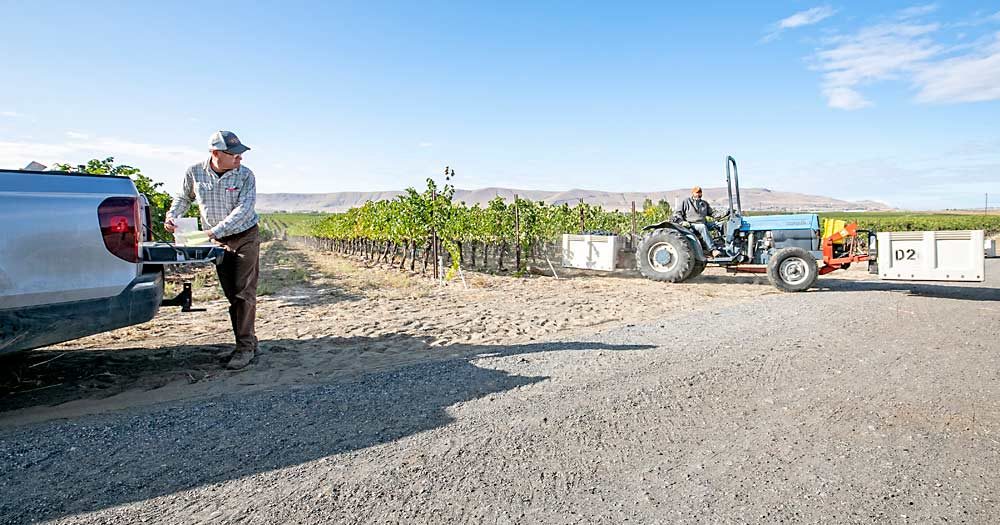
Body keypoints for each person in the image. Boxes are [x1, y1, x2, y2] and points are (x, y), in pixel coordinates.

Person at [165, 131, 260, 370]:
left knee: (243, 291)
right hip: (217, 240)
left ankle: (245, 347)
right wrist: (172, 215)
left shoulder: (245, 176)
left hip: (245, 236)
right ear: (215, 153)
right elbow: (184, 197)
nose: (240, 158)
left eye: (241, 154)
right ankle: (247, 340)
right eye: (234, 154)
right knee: (231, 293)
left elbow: (244, 209)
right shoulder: (195, 172)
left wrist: (213, 232)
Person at [674, 186, 724, 257]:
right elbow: (677, 213)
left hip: (703, 222)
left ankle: (723, 245)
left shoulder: (704, 203)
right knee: (702, 227)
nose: (698, 194)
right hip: (692, 224)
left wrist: (723, 214)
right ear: (693, 193)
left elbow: (712, 213)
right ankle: (712, 250)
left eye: (700, 193)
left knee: (720, 225)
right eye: (697, 193)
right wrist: (681, 222)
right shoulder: (686, 202)